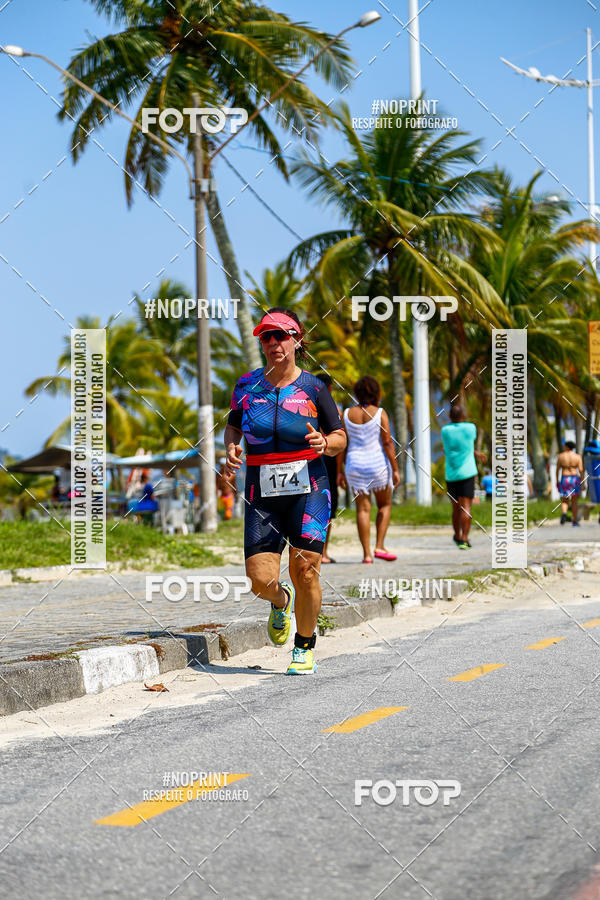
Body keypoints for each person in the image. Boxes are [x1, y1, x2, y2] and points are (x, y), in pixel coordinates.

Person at [224, 308, 346, 675]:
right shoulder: (246, 385)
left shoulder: (314, 387)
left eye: (281, 335)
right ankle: (281, 602)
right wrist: (231, 446)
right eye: (267, 336)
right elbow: (233, 426)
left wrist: (325, 443)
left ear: (297, 340)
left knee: (305, 570)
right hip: (261, 490)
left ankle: (304, 646)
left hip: (310, 486)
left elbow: (340, 436)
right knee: (260, 580)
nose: (274, 342)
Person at [338, 375, 400, 564]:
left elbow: (342, 444)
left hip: (355, 465)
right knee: (385, 505)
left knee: (363, 510)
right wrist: (396, 469)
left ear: (357, 393)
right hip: (377, 465)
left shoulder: (347, 414)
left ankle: (366, 555)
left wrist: (339, 471)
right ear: (376, 393)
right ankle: (379, 546)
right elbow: (387, 443)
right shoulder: (380, 413)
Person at [441, 404, 486, 549]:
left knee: (456, 509)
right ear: (463, 415)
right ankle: (464, 539)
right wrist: (476, 453)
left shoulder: (445, 431)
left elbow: (449, 448)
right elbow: (467, 445)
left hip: (451, 475)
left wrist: (474, 453)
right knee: (466, 507)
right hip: (467, 473)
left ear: (450, 417)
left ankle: (457, 535)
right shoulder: (470, 428)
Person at [316, 373, 342, 563]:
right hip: (329, 459)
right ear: (330, 388)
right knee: (328, 508)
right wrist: (340, 471)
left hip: (311, 459)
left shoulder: (307, 408)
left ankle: (317, 552)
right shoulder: (335, 410)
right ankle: (323, 553)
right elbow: (339, 446)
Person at [557, 440, 584, 526]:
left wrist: (557, 481)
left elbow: (557, 470)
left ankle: (564, 514)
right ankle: (574, 521)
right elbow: (581, 470)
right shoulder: (577, 456)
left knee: (565, 500)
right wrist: (583, 483)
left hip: (565, 478)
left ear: (567, 447)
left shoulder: (561, 456)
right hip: (574, 479)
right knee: (574, 501)